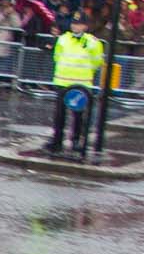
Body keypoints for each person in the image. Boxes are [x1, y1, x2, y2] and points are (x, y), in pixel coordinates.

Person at [43, 16, 105, 160]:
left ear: (85, 26)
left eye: (79, 25)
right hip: (63, 81)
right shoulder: (63, 38)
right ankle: (57, 140)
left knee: (78, 115)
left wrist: (86, 72)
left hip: (82, 83)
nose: (75, 27)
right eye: (74, 24)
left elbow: (97, 61)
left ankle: (76, 141)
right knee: (59, 115)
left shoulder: (93, 42)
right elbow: (57, 56)